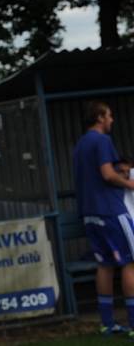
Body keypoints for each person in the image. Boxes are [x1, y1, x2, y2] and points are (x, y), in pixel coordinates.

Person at [73, 101, 134, 337]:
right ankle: (132, 323)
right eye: (109, 115)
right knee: (130, 262)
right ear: (99, 117)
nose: (112, 120)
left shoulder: (80, 145)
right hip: (110, 210)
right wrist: (129, 183)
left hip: (89, 213)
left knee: (105, 265)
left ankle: (107, 324)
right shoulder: (102, 141)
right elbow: (107, 174)